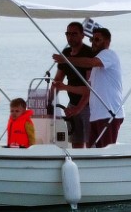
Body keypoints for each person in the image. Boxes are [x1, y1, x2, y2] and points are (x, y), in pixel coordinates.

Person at [63, 25, 124, 147]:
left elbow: (91, 62)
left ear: (107, 42)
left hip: (108, 113)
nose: (93, 43)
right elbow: (89, 90)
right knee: (93, 151)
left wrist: (66, 60)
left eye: (97, 40)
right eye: (92, 39)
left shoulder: (108, 54)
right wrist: (65, 89)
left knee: (106, 152)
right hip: (96, 115)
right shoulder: (96, 67)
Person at [49, 21, 92, 149]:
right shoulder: (66, 53)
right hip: (72, 104)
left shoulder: (88, 53)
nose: (70, 37)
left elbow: (90, 87)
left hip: (90, 106)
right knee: (76, 142)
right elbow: (57, 80)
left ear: (82, 35)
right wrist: (49, 102)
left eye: (74, 34)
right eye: (68, 34)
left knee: (91, 143)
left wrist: (78, 108)